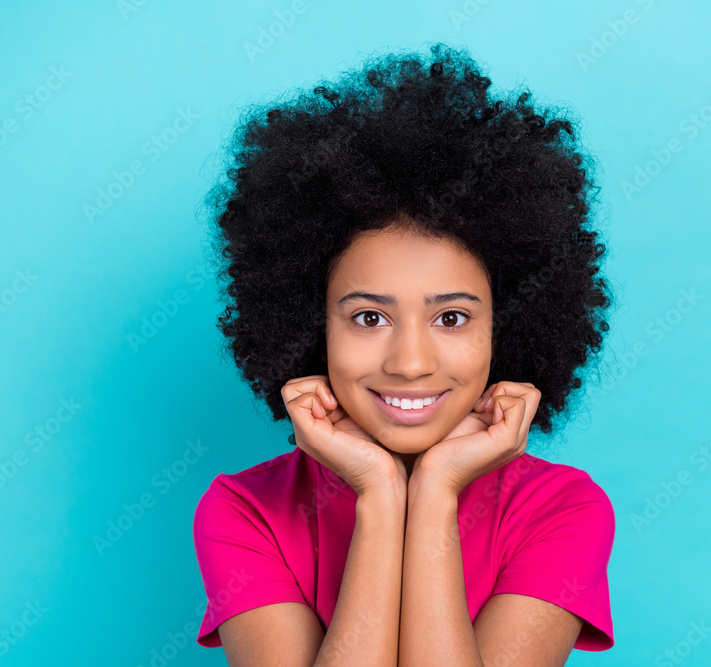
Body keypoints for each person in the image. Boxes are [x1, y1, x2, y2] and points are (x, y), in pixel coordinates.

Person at [192, 42, 617, 665]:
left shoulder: (563, 510)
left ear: (509, 326)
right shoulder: (244, 511)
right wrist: (381, 499)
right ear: (313, 326)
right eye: (369, 317)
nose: (410, 362)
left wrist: (437, 495)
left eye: (451, 317)